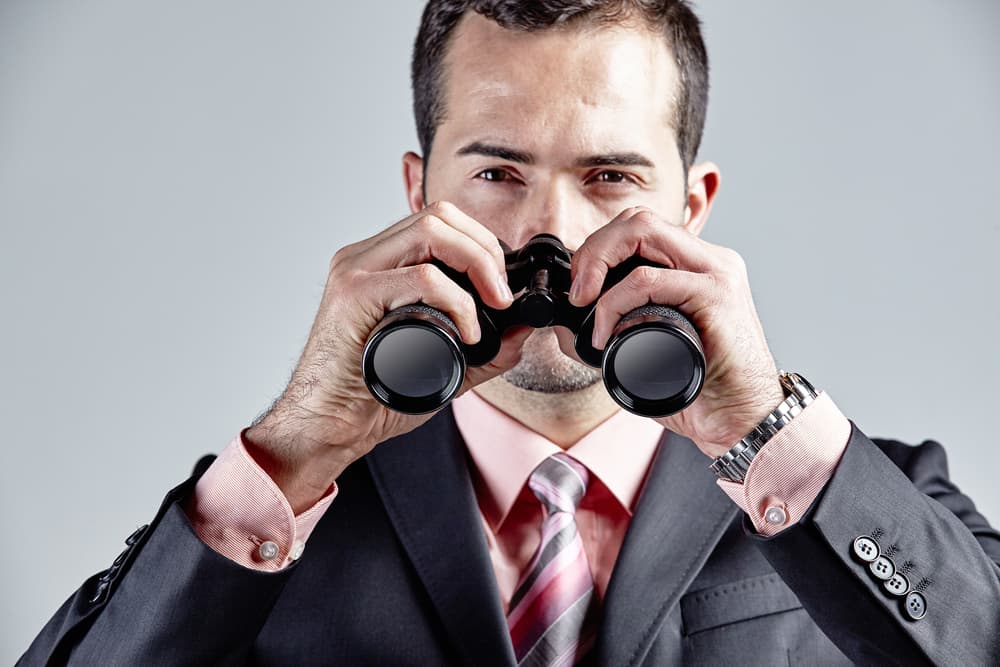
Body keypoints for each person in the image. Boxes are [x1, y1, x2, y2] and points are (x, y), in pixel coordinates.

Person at [20, 1, 1000, 665]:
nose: (549, 235)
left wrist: (760, 422)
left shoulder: (870, 494)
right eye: (496, 174)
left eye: (609, 176)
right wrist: (290, 450)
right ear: (417, 192)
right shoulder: (277, 519)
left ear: (693, 207)